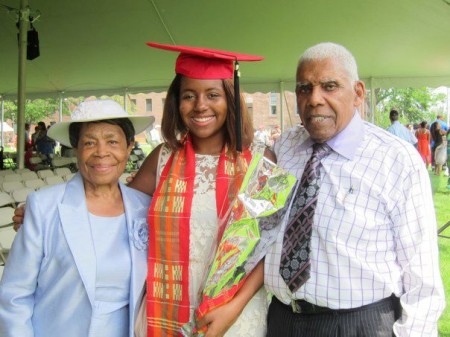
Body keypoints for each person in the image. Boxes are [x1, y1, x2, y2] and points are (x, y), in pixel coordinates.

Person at [264, 42, 445, 337]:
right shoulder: (285, 148)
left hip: (358, 325)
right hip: (283, 320)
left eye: (330, 86)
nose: (314, 99)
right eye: (304, 88)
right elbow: (261, 227)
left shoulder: (396, 160)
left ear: (358, 93)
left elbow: (422, 278)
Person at [127, 42, 275, 337]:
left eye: (213, 95)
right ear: (176, 103)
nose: (200, 106)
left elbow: (270, 246)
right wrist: (51, 211)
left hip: (234, 313)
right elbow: (115, 207)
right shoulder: (162, 158)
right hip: (167, 310)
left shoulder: (260, 160)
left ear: (230, 100)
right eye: (189, 96)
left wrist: (233, 310)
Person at [0, 99, 154, 337]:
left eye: (112, 141)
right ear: (76, 148)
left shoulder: (145, 209)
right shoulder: (44, 207)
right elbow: (15, 294)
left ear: (129, 145)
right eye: (89, 143)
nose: (102, 152)